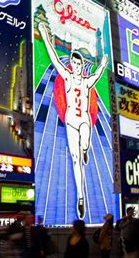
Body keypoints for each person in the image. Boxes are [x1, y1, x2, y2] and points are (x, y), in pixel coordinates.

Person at [39, 22, 108, 219]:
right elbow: (54, 59)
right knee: (75, 160)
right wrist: (45, 35)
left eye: (79, 64)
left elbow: (96, 75)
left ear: (81, 65)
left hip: (84, 121)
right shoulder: (67, 77)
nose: (77, 67)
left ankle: (86, 148)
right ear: (71, 63)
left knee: (85, 142)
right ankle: (80, 196)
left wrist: (103, 64)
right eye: (74, 63)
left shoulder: (86, 82)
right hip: (71, 121)